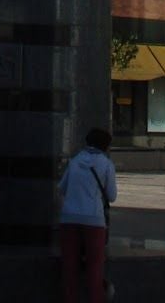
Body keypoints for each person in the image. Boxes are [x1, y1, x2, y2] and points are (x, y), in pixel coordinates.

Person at [58, 128, 116, 303]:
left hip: (69, 218)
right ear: (105, 146)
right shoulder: (106, 164)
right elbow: (112, 196)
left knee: (69, 269)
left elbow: (62, 188)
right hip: (94, 220)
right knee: (95, 269)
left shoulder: (74, 161)